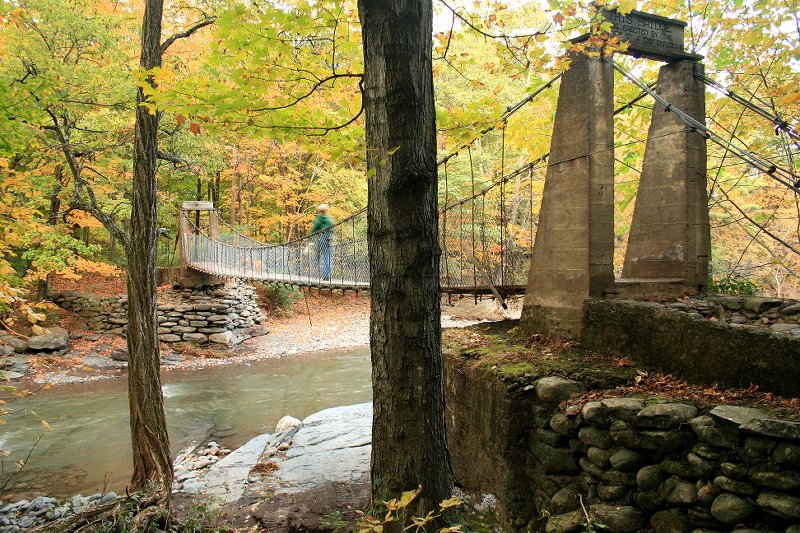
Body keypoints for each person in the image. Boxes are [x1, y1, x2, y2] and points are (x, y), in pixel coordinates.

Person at [310, 204, 334, 280]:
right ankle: (326, 275)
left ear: (320, 211)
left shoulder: (318, 219)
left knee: (316, 256)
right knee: (327, 258)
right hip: (328, 240)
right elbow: (333, 230)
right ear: (326, 211)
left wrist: (310, 239)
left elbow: (313, 230)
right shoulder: (330, 220)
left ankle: (317, 272)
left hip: (319, 240)